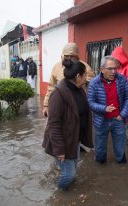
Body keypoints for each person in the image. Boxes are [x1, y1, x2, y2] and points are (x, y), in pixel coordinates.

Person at [42, 59, 93, 190]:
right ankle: (59, 195)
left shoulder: (79, 89)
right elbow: (54, 125)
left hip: (74, 139)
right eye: (84, 75)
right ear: (78, 76)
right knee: (69, 174)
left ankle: (67, 190)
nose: (86, 78)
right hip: (63, 143)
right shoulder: (58, 95)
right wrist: (59, 150)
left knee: (73, 168)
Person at [87, 56, 128, 164]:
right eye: (110, 69)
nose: (113, 71)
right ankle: (100, 170)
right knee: (100, 151)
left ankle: (122, 169)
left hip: (118, 120)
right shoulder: (94, 83)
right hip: (101, 121)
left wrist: (122, 115)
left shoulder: (122, 79)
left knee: (120, 151)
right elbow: (90, 102)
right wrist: (104, 108)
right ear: (101, 69)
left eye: (115, 68)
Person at [42, 43, 95, 117]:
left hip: (80, 104)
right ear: (62, 56)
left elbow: (93, 86)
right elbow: (51, 87)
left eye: (72, 56)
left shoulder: (85, 67)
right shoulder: (56, 67)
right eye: (67, 56)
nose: (69, 58)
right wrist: (46, 105)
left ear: (77, 56)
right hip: (61, 103)